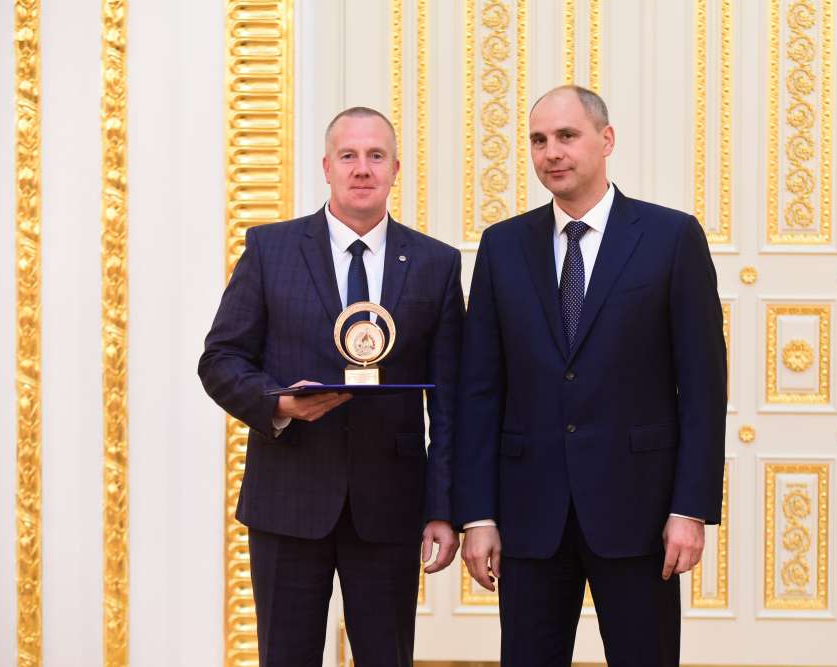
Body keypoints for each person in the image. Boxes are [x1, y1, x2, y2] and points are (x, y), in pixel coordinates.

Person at [454, 85, 727, 667]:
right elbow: (479, 391)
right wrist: (477, 515)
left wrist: (691, 508)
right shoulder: (502, 247)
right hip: (529, 514)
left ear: (606, 140)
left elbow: (703, 388)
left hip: (640, 513)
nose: (551, 152)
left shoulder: (671, 238)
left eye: (566, 136)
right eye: (538, 140)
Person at [199, 107, 463, 667]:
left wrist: (443, 508)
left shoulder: (435, 263)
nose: (362, 168)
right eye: (348, 156)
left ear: (395, 169)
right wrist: (279, 403)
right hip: (288, 499)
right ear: (326, 167)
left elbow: (450, 400)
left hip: (391, 505)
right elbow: (220, 360)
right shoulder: (270, 249)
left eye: (376, 156)